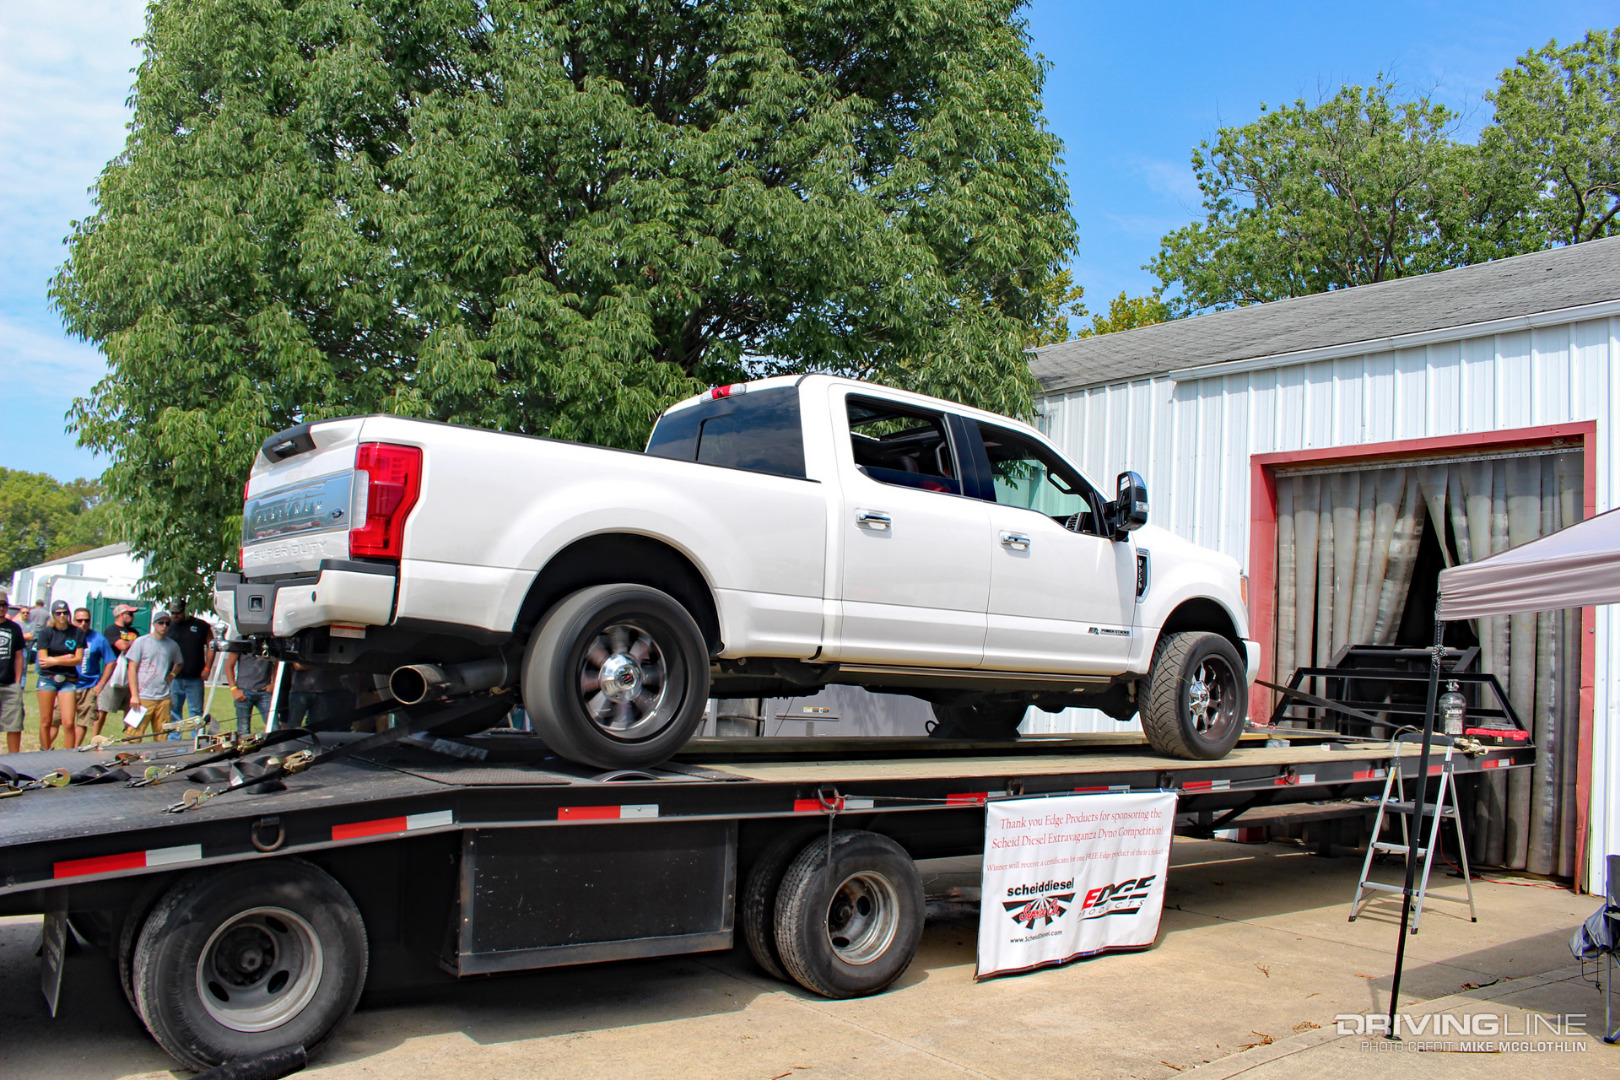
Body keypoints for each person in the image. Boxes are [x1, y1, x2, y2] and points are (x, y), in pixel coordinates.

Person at [34, 600, 85, 750]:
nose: (62, 616)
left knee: (68, 722)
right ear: (53, 614)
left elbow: (78, 659)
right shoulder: (46, 633)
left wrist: (55, 660)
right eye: (58, 613)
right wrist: (67, 657)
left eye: (65, 613)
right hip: (48, 679)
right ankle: (45, 751)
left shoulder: (77, 632)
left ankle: (68, 753)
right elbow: (43, 661)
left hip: (67, 680)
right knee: (46, 721)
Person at [126, 612, 183, 741]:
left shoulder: (172, 645)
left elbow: (179, 663)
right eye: (161, 623)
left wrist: (172, 674)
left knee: (162, 735)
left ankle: (158, 760)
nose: (164, 626)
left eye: (167, 623)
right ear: (154, 624)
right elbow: (132, 668)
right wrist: (134, 695)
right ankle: (128, 758)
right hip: (143, 697)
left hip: (164, 698)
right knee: (133, 736)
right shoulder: (141, 642)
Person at [165, 598, 215, 736]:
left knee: (196, 712)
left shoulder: (201, 626)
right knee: (174, 710)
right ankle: (174, 740)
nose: (175, 615)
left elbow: (212, 646)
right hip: (174, 677)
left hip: (195, 676)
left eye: (178, 612)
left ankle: (197, 738)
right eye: (173, 612)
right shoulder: (167, 626)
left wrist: (207, 668)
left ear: (185, 610)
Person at [74, 608, 119, 738]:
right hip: (69, 684)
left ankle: (74, 749)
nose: (83, 623)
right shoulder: (68, 636)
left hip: (89, 686)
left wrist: (100, 684)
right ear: (73, 621)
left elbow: (111, 662)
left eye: (86, 620)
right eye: (79, 620)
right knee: (64, 720)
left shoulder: (98, 639)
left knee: (83, 722)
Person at [98, 604, 140, 731]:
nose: (133, 617)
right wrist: (132, 644)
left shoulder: (134, 631)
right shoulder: (111, 630)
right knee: (103, 709)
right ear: (121, 615)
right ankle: (95, 738)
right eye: (130, 614)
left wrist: (131, 644)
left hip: (131, 675)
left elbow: (140, 647)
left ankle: (129, 738)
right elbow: (121, 645)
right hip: (114, 674)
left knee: (132, 710)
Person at [223, 636, 275, 733]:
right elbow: (229, 665)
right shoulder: (241, 639)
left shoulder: (270, 640)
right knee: (243, 730)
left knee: (274, 727)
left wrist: (274, 684)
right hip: (244, 692)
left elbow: (277, 663)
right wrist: (234, 689)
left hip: (264, 692)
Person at [0, 594, 25, 754]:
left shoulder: (14, 628)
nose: (1, 608)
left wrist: (17, 681)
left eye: (4, 605)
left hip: (9, 683)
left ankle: (14, 761)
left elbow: (18, 656)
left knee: (14, 725)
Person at [23, 601, 47, 690]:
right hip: (42, 633)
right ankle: (37, 670)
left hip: (31, 631)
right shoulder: (46, 613)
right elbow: (48, 623)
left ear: (36, 604)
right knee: (39, 652)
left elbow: (27, 620)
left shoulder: (31, 612)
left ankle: (26, 663)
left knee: (28, 649)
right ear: (42, 604)